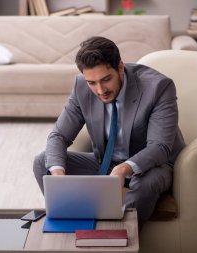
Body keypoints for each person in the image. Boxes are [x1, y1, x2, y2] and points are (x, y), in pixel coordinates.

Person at [33, 36, 185, 230]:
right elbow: (58, 136)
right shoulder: (81, 86)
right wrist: (58, 176)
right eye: (92, 82)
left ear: (120, 67)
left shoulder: (158, 88)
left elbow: (159, 147)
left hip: (153, 165)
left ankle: (114, 239)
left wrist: (123, 169)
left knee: (146, 183)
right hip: (105, 162)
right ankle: (73, 228)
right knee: (42, 162)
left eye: (106, 80)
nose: (100, 90)